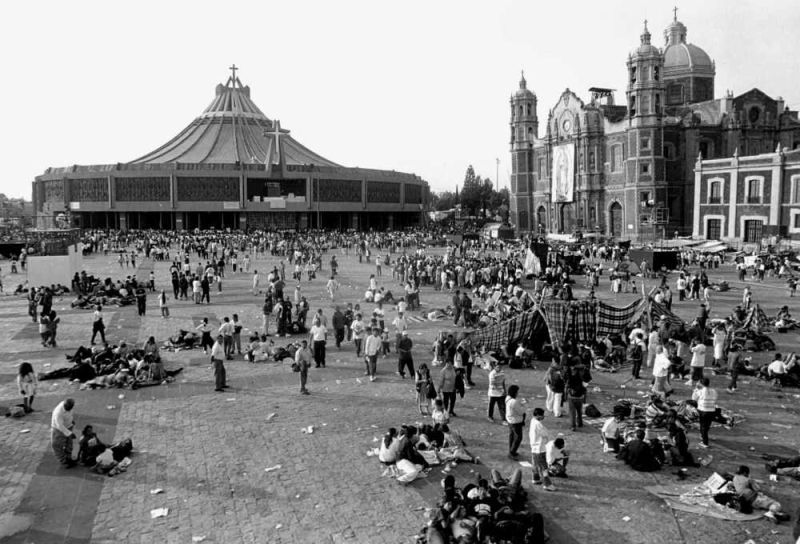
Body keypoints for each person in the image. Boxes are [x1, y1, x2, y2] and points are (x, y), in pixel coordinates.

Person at [529, 408, 555, 490]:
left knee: (535, 465)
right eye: (542, 415)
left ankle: (535, 478)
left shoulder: (533, 421)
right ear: (537, 415)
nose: (543, 417)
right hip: (540, 449)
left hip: (534, 447)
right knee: (543, 468)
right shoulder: (538, 424)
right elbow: (545, 433)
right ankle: (547, 485)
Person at [51, 398, 77, 467]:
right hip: (59, 429)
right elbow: (60, 426)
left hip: (69, 425)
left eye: (70, 408)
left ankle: (68, 458)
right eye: (67, 408)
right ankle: (63, 460)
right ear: (64, 405)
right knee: (57, 445)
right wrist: (69, 433)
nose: (69, 410)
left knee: (69, 443)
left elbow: (70, 414)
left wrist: (71, 420)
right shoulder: (58, 412)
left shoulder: (69, 407)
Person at [692, 377, 717, 448]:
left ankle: (705, 442)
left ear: (701, 383)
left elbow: (693, 399)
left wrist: (696, 389)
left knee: (703, 426)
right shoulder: (713, 391)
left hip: (703, 410)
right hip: (712, 410)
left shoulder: (700, 391)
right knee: (707, 425)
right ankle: (703, 435)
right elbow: (715, 398)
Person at [505, 385, 526, 459]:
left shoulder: (508, 398)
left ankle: (511, 450)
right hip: (515, 421)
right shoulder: (514, 402)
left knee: (512, 436)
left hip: (510, 420)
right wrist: (524, 405)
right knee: (518, 437)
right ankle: (512, 452)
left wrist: (520, 403)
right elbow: (521, 412)